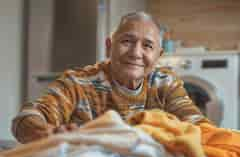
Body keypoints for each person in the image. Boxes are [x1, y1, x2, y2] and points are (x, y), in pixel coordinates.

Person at [12, 11, 208, 143]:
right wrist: (49, 133)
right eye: (127, 41)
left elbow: (197, 124)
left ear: (158, 56)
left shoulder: (165, 83)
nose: (135, 53)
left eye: (147, 46)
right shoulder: (77, 82)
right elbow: (28, 117)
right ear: (108, 46)